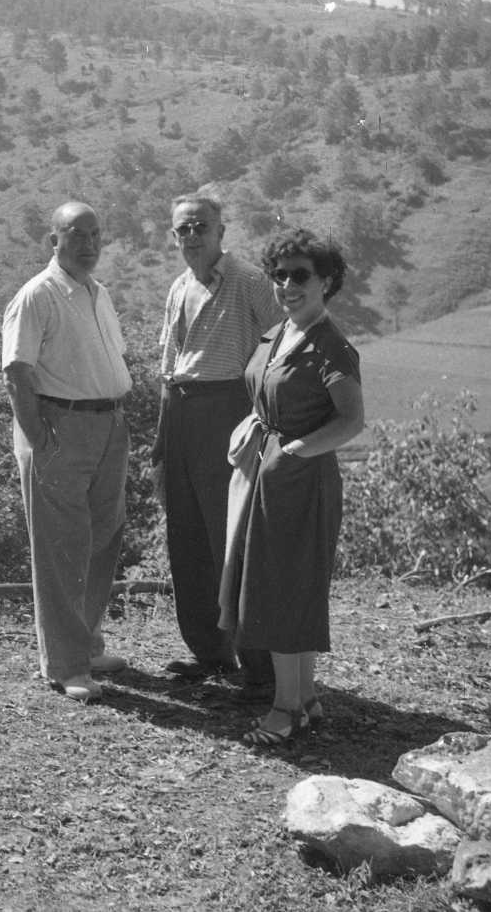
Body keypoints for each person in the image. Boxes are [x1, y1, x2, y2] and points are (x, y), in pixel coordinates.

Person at [218, 228, 365, 747]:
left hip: (302, 481)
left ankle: (283, 709)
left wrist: (299, 451)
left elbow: (352, 421)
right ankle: (304, 700)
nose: (286, 285)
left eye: (300, 275)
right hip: (268, 474)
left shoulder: (331, 347)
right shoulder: (277, 335)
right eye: (279, 275)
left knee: (283, 591)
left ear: (326, 280)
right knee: (285, 589)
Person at [2, 201, 132, 702]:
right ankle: (66, 665)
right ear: (52, 240)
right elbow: (17, 373)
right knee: (61, 548)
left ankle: (88, 643)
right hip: (61, 426)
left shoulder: (97, 293)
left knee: (102, 538)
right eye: (75, 234)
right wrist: (40, 440)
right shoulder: (38, 295)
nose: (88, 243)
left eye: (95, 233)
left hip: (107, 425)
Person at [152, 194, 281, 697]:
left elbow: (282, 341)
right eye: (182, 229)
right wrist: (161, 448)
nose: (191, 237)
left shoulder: (248, 281)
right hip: (182, 413)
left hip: (229, 412)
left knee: (233, 536)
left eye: (200, 227)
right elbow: (168, 370)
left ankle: (259, 665)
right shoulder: (179, 287)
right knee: (187, 536)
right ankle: (209, 652)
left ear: (222, 231)